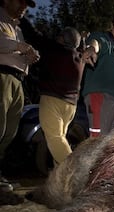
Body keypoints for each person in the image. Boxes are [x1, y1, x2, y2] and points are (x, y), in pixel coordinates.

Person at [36, 27, 98, 165]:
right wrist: (83, 40)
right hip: (70, 106)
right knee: (61, 141)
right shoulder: (80, 57)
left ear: (62, 39)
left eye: (59, 36)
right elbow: (83, 46)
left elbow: (34, 35)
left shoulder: (54, 50)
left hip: (53, 100)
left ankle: (75, 174)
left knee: (55, 138)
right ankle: (61, 181)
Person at [0, 0, 39, 191]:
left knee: (9, 132)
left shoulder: (18, 28)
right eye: (21, 1)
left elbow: (17, 50)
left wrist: (28, 58)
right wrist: (21, 47)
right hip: (2, 76)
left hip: (17, 80)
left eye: (27, 4)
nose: (24, 6)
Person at [81, 11, 114, 137]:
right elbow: (96, 42)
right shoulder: (104, 39)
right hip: (100, 98)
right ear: (112, 26)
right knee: (98, 142)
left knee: (111, 144)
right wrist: (92, 48)